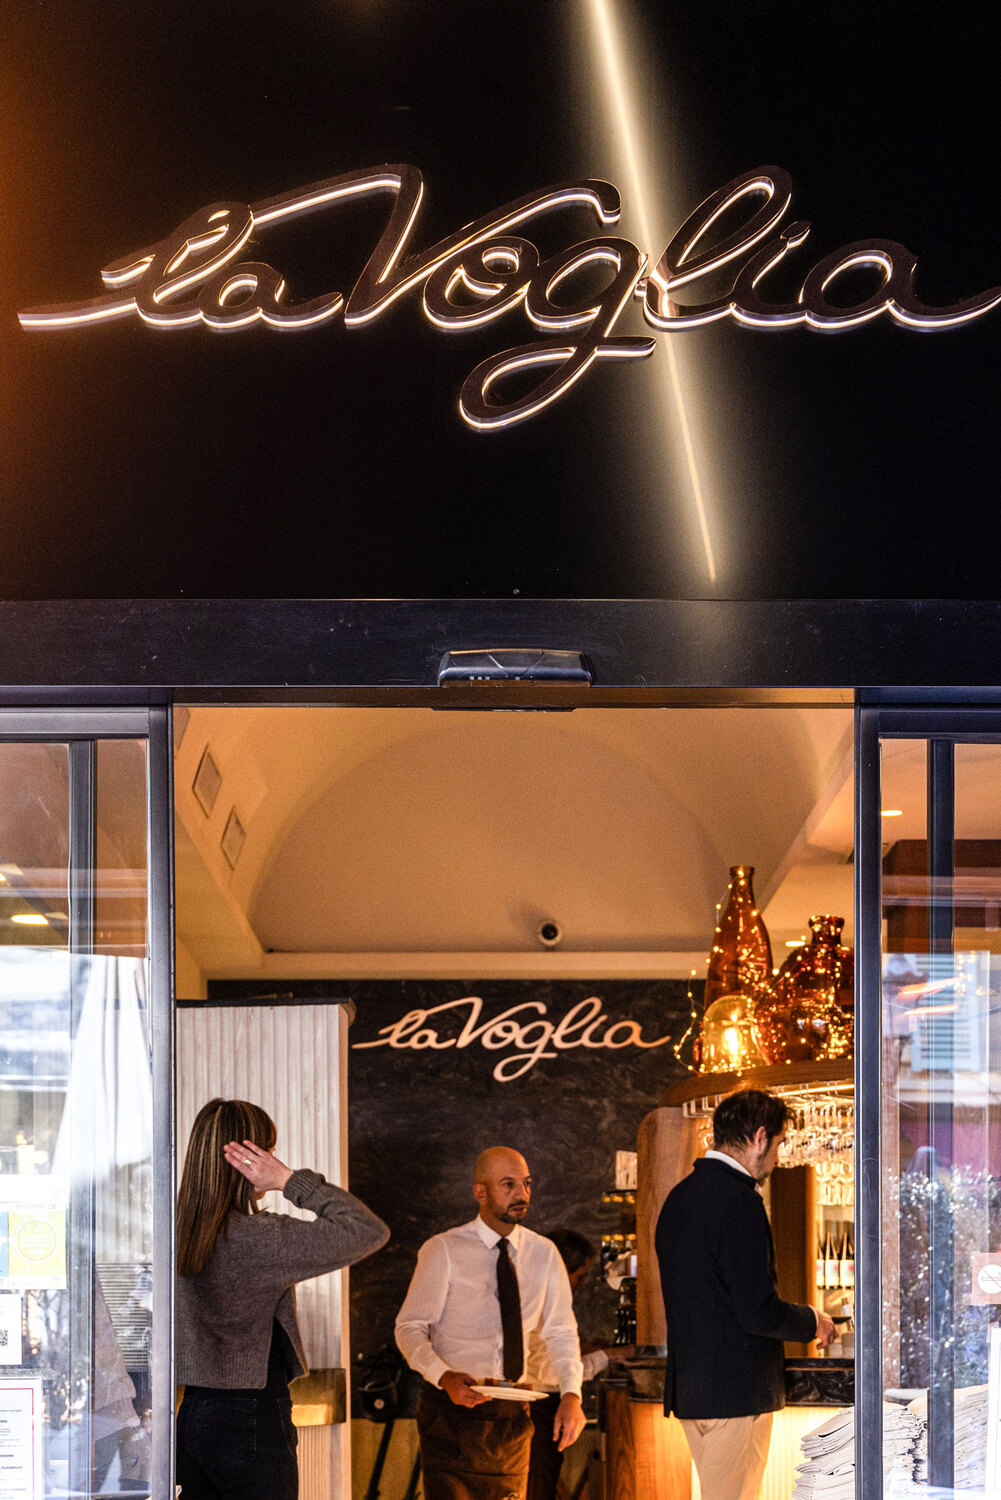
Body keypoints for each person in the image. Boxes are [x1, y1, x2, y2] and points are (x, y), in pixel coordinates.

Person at [175, 1097, 389, 1500]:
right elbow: (367, 1230)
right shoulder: (260, 1238)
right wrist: (288, 1180)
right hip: (251, 1416)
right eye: (267, 1151)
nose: (273, 1158)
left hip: (192, 1415)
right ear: (248, 1159)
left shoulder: (176, 1233)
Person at [655, 1089, 836, 1500]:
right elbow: (758, 1312)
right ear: (759, 1137)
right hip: (735, 1393)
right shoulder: (739, 1201)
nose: (777, 1157)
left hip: (693, 1391)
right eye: (779, 1143)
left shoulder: (679, 1197)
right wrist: (813, 1321)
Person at [395, 1146, 587, 1500]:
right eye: (508, 1185)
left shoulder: (544, 1253)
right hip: (451, 1412)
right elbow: (409, 1329)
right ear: (480, 1193)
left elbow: (561, 1332)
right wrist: (444, 1376)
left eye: (526, 1184)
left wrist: (572, 1395)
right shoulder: (444, 1250)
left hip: (513, 1414)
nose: (521, 1194)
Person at [526, 1229, 634, 1500]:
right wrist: (609, 1356)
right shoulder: (539, 1301)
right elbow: (551, 1372)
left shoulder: (536, 1295)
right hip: (537, 1408)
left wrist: (584, 1350)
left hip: (540, 1406)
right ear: (561, 1269)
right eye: (580, 1276)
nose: (581, 1285)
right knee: (537, 1488)